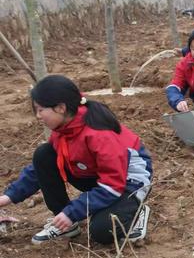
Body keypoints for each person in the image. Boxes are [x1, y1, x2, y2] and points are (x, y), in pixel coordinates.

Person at [0, 75, 152, 245]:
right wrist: (8, 197)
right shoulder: (64, 128)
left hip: (127, 182)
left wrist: (72, 211)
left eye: (40, 110)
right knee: (44, 155)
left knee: (102, 232)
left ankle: (137, 213)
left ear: (61, 108)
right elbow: (39, 170)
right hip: (96, 175)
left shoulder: (99, 135)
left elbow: (113, 184)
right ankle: (65, 224)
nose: (38, 116)